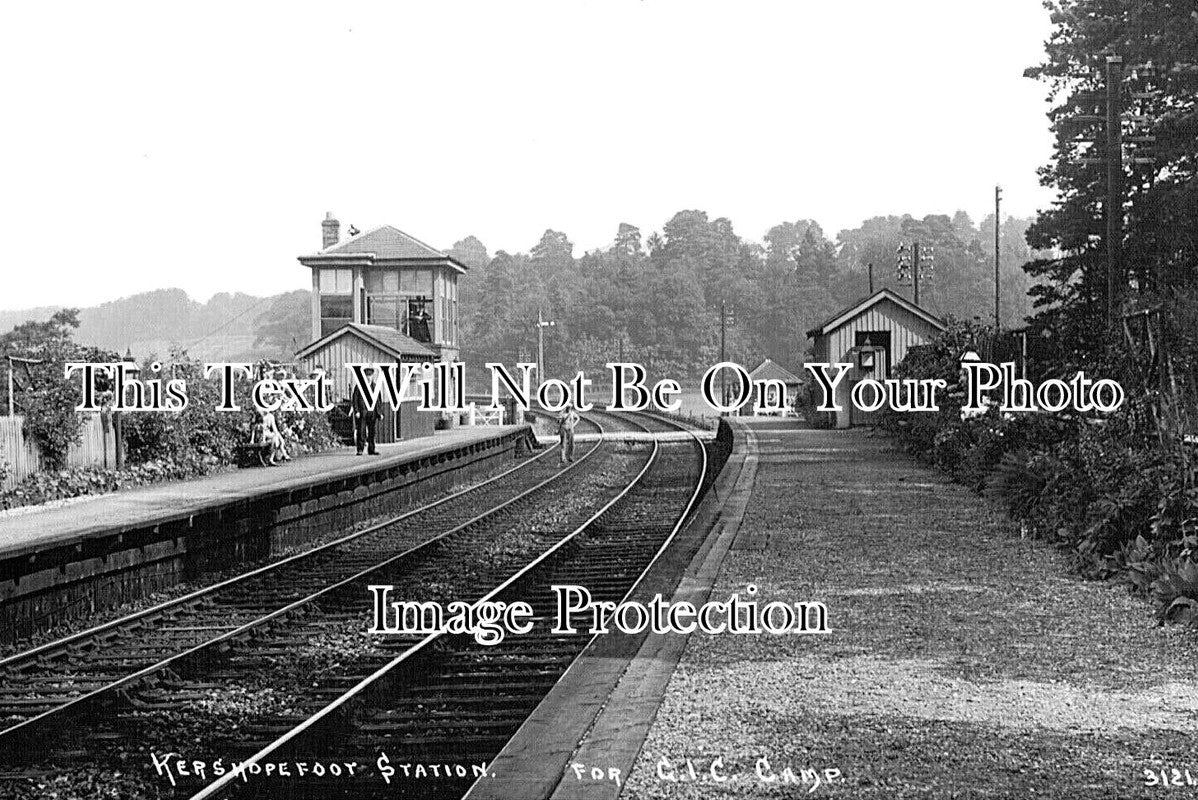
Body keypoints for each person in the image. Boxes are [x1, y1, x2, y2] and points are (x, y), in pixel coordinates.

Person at [351, 368, 381, 456]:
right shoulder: (359, 386)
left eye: (370, 376)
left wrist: (379, 413)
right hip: (362, 412)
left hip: (372, 413)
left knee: (372, 432)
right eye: (367, 376)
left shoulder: (375, 387)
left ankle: (371, 449)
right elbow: (355, 399)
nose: (368, 378)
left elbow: (379, 400)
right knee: (361, 431)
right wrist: (356, 411)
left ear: (372, 376)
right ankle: (360, 449)